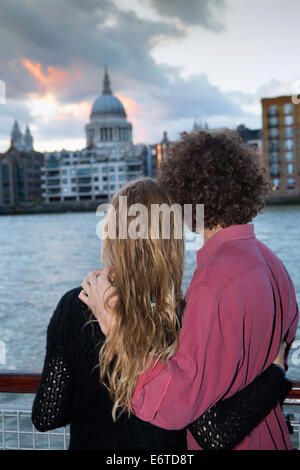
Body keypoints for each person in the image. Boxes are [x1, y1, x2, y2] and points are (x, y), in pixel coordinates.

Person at [32, 178, 286, 451]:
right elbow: (213, 434)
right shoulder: (179, 319)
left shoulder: (77, 304)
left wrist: (94, 391)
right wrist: (275, 373)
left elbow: (47, 415)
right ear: (170, 242)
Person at [83, 132, 299, 450]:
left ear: (186, 199)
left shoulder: (212, 282)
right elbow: (281, 347)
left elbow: (175, 405)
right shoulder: (270, 261)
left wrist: (115, 326)